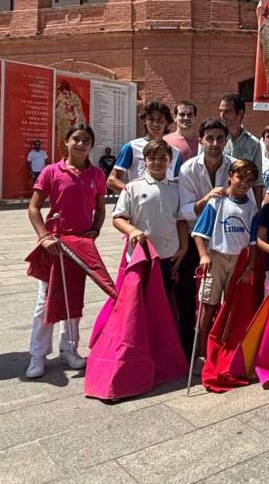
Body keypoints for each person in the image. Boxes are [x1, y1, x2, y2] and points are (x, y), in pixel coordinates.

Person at [25, 124, 106, 378]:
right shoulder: (51, 171)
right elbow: (33, 208)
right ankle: (37, 354)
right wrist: (44, 237)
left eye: (86, 141)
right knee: (45, 302)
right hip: (54, 245)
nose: (81, 145)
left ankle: (69, 349)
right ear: (66, 143)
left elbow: (100, 208)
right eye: (76, 139)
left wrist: (95, 229)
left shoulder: (97, 175)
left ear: (91, 145)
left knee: (73, 299)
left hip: (79, 245)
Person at [191, 159, 260, 372]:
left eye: (249, 181)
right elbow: (199, 234)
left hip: (239, 261)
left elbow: (253, 241)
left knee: (231, 306)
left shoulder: (251, 206)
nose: (244, 184)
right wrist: (203, 255)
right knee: (208, 304)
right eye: (240, 177)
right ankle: (201, 352)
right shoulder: (217, 202)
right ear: (230, 176)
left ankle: (223, 347)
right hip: (216, 257)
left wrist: (249, 266)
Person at [112, 139, 188, 302]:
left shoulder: (176, 189)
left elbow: (181, 221)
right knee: (138, 302)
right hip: (141, 257)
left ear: (170, 161)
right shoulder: (132, 187)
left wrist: (184, 247)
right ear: (145, 160)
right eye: (152, 158)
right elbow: (118, 218)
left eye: (162, 158)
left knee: (164, 303)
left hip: (168, 257)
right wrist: (132, 230)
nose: (157, 162)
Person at [108, 101, 180, 192]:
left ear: (167, 122)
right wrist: (134, 194)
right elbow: (112, 180)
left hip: (166, 204)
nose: (155, 124)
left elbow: (177, 183)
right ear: (144, 121)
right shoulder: (131, 147)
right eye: (151, 119)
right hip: (138, 205)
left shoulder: (175, 152)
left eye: (160, 120)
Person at [219, 93, 262, 167]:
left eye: (227, 111)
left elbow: (258, 177)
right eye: (220, 111)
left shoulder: (253, 144)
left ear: (240, 113)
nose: (222, 115)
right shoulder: (214, 140)